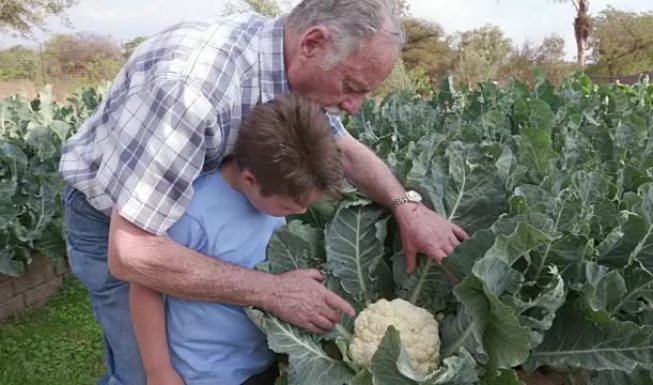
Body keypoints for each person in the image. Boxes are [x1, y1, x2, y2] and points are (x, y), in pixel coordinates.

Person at [60, 0, 469, 384]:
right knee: (143, 369)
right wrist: (271, 291)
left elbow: (342, 148)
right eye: (351, 86)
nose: (355, 105)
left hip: (201, 212)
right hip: (116, 221)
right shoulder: (191, 89)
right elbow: (133, 254)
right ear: (312, 43)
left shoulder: (288, 71)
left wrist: (406, 207)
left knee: (191, 322)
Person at [130, 94, 343, 385]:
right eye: (289, 207)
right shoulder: (194, 213)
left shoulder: (274, 192)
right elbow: (145, 287)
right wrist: (159, 371)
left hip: (261, 361)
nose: (300, 212)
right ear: (250, 181)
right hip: (207, 373)